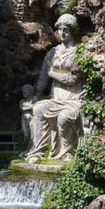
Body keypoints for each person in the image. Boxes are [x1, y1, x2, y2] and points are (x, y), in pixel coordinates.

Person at [26, 14, 86, 163]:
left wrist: (52, 72)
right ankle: (38, 151)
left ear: (72, 31)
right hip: (56, 98)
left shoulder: (80, 51)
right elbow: (42, 79)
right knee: (39, 108)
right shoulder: (53, 52)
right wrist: (36, 95)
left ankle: (67, 152)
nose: (62, 33)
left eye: (66, 30)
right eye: (60, 29)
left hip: (74, 98)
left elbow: (73, 79)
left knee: (64, 117)